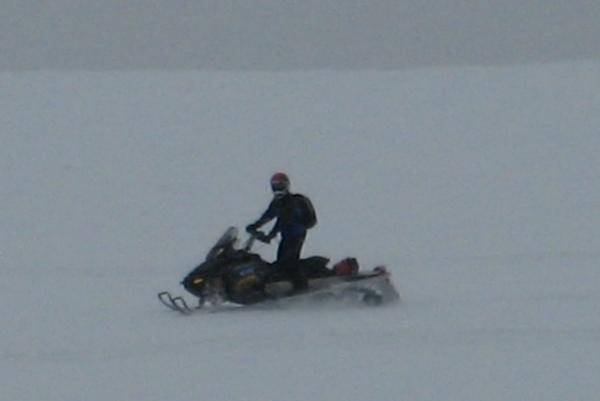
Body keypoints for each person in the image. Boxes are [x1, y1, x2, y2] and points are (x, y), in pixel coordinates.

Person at [246, 172, 317, 292]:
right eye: (275, 186)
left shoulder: (294, 201)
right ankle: (285, 286)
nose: (278, 189)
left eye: (280, 185)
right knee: (281, 263)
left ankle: (301, 288)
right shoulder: (277, 202)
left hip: (296, 235)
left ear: (286, 186)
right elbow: (268, 216)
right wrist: (254, 226)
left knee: (289, 261)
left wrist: (271, 234)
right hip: (286, 235)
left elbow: (283, 220)